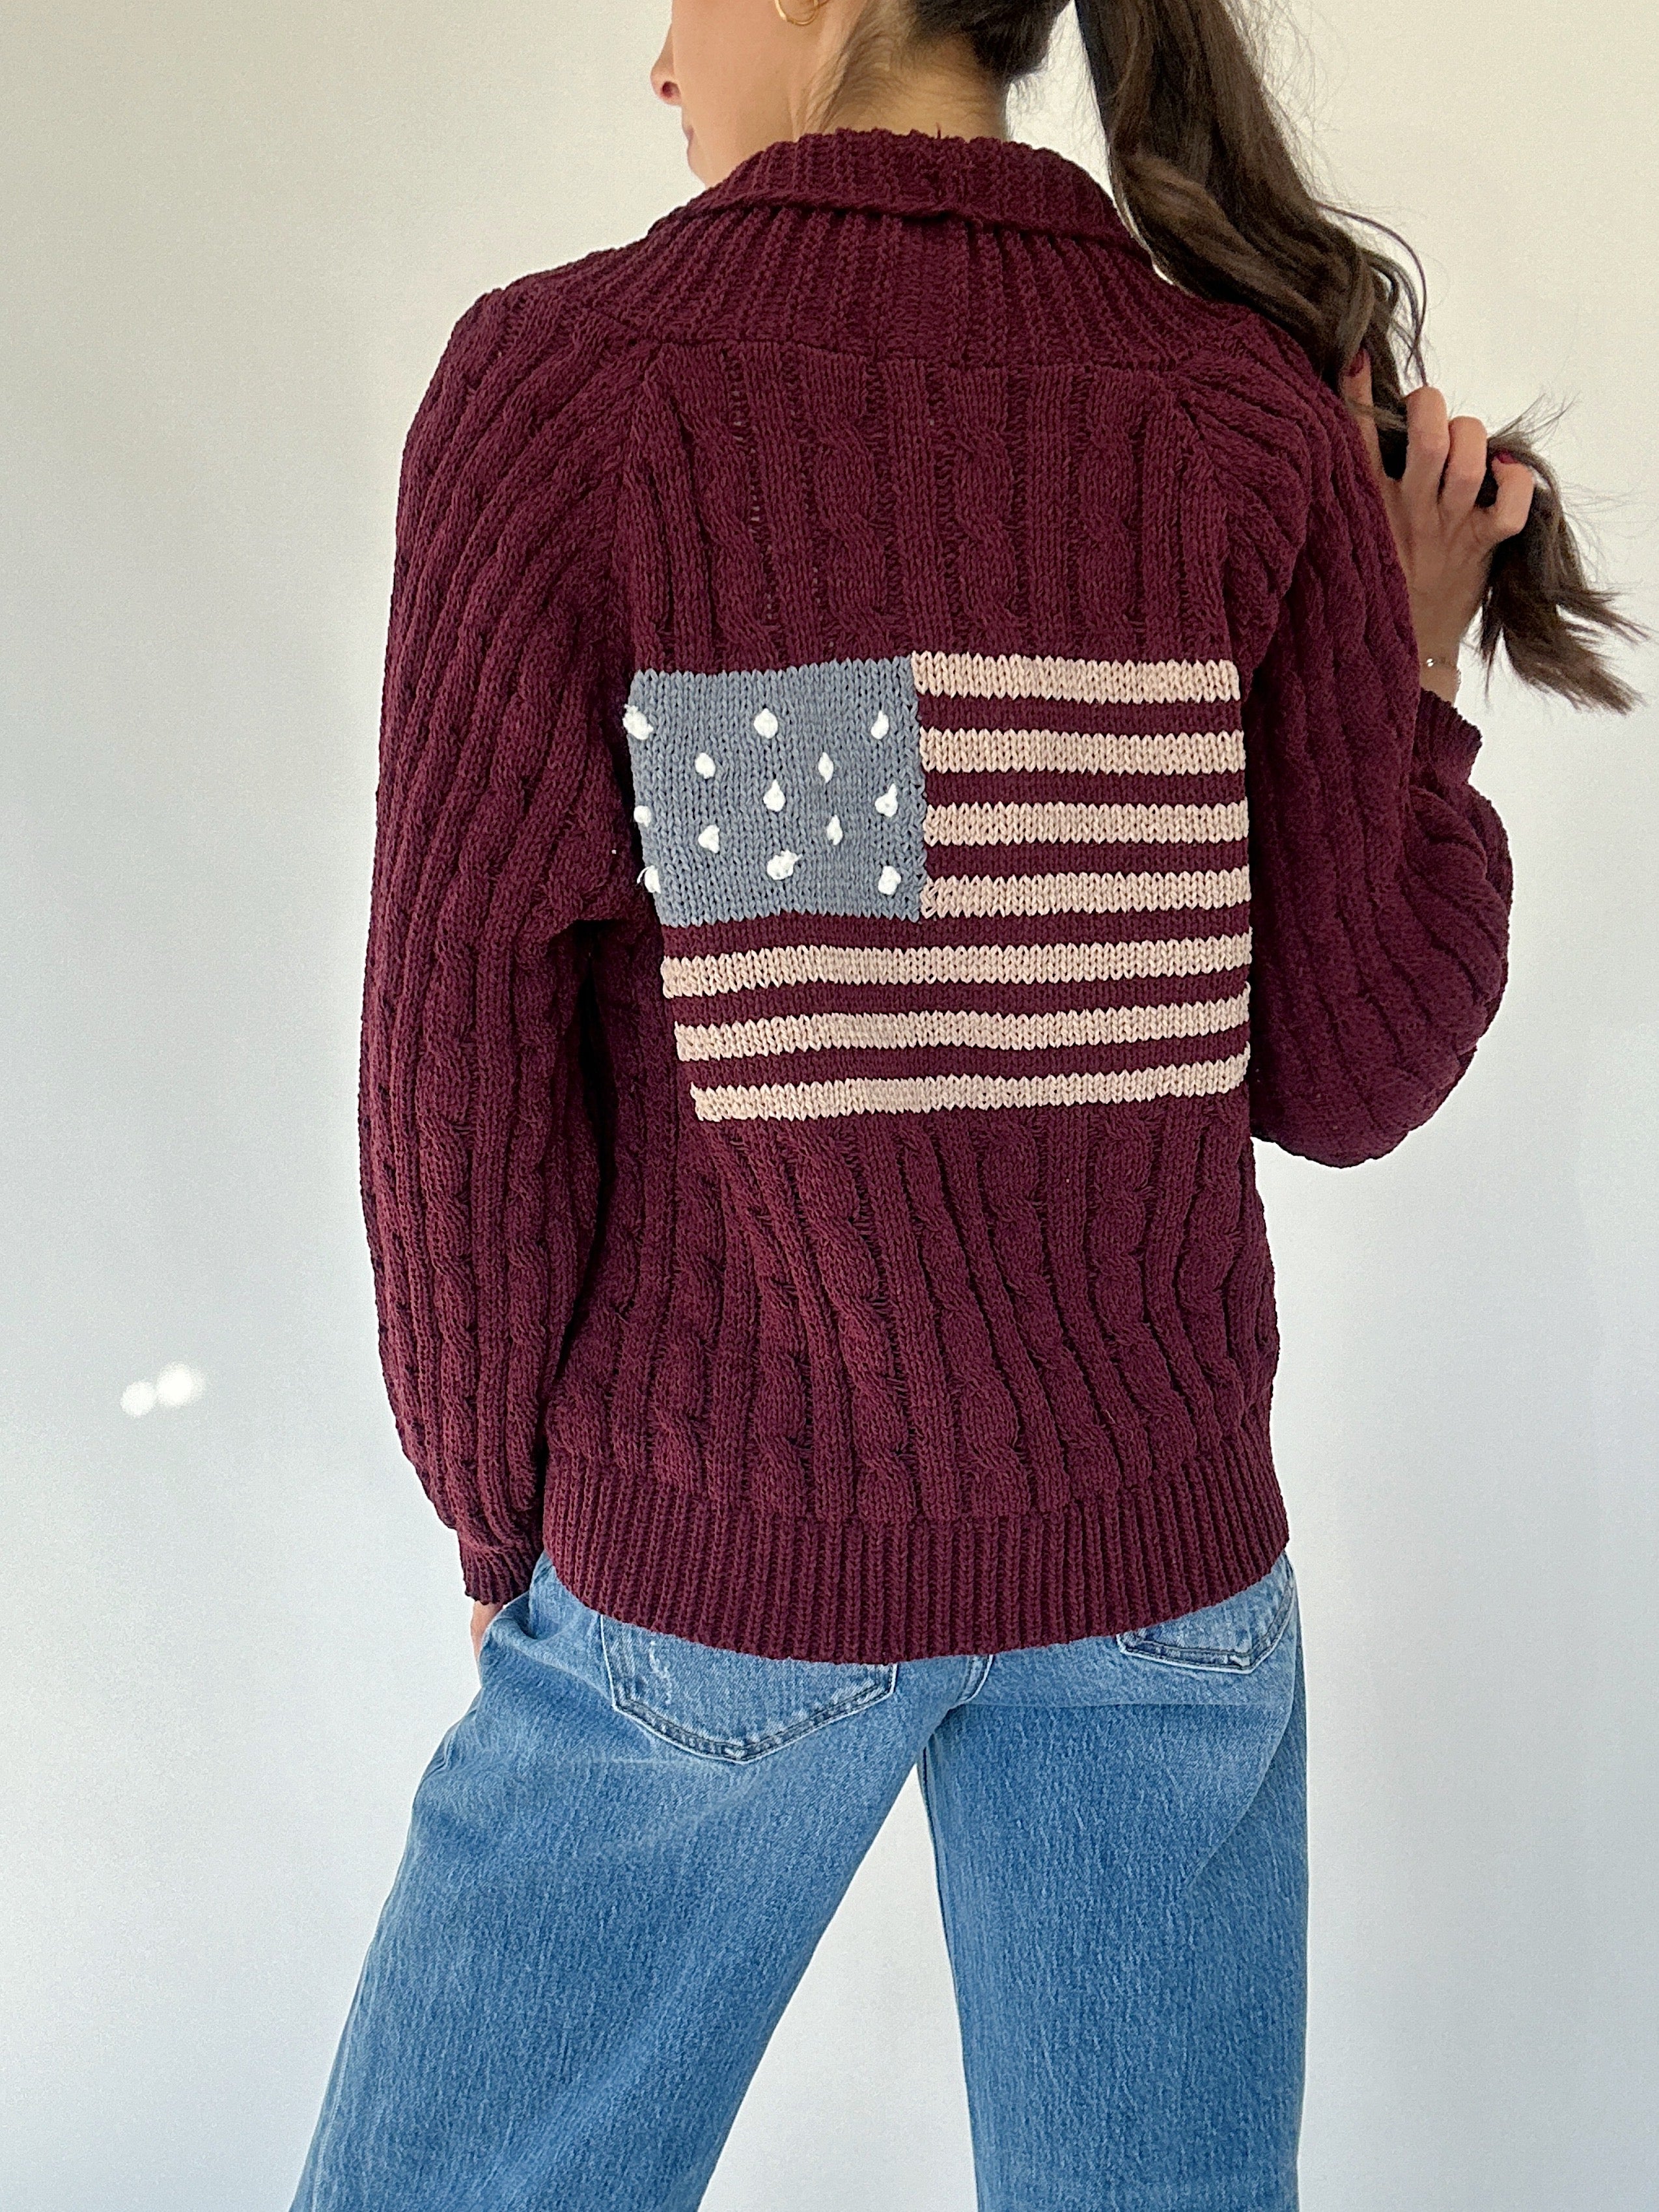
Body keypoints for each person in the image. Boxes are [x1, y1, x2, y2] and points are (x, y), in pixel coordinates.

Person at [291, 2, 1637, 2206]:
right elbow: (1349, 1065)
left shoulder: (578, 392)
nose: (656, 61)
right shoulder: (1228, 416)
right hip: (1164, 1587)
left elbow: (455, 1043)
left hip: (712, 1568)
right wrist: (1407, 686)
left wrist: (492, 1524)